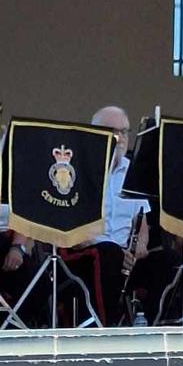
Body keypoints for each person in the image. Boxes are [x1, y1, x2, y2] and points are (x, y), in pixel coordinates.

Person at [64, 106, 152, 325]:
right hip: (87, 251)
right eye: (114, 131)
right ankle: (107, 326)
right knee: (109, 254)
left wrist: (138, 247)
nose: (120, 138)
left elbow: (142, 223)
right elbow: (74, 230)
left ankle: (154, 324)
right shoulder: (77, 171)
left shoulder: (133, 171)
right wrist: (118, 251)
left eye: (125, 131)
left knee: (166, 262)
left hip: (127, 256)